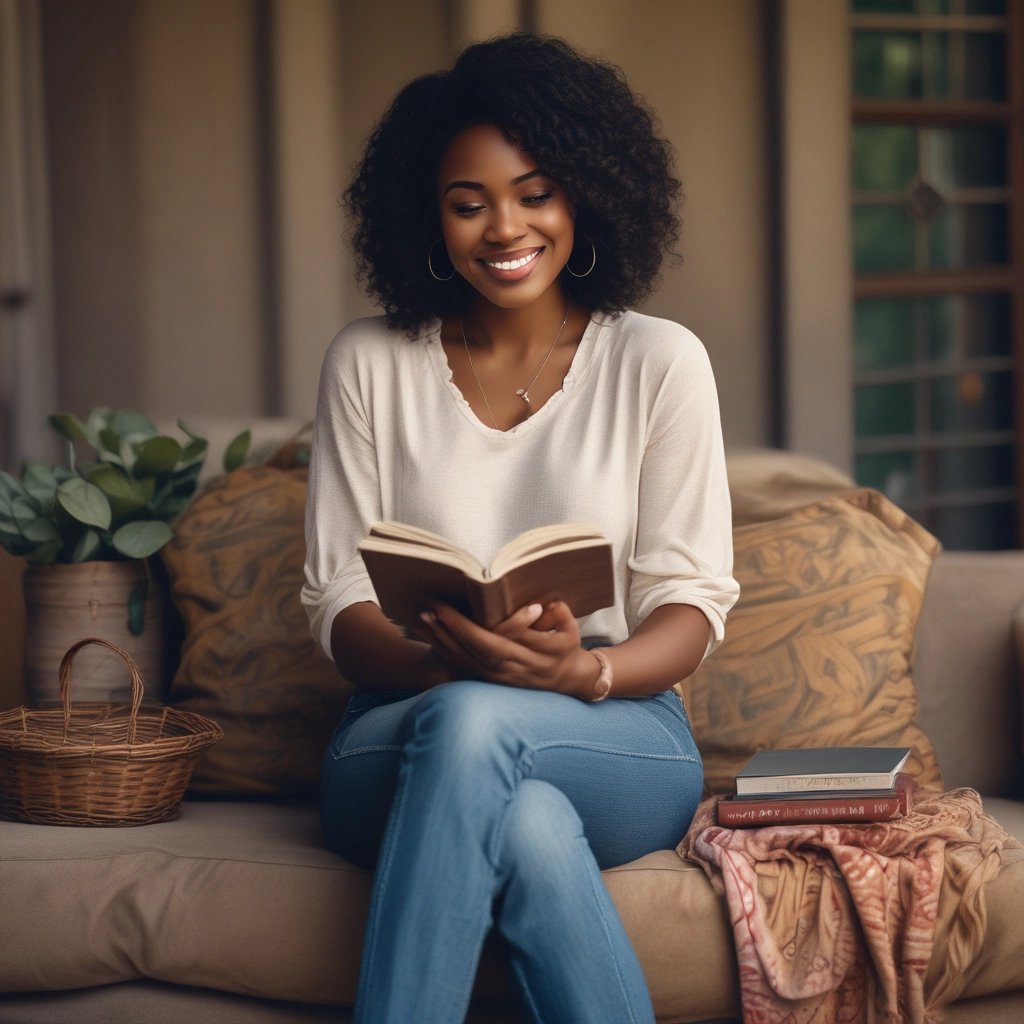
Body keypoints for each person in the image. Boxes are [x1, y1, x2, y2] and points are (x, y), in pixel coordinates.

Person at [301, 32, 739, 1024]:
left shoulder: (659, 363)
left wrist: (579, 671)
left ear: (585, 194)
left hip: (611, 723)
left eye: (534, 192)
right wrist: (449, 664)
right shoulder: (369, 362)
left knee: (496, 747)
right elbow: (336, 603)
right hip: (400, 721)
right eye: (468, 203)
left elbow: (689, 601)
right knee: (518, 805)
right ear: (429, 214)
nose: (504, 227)